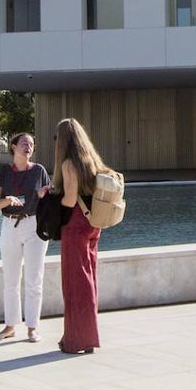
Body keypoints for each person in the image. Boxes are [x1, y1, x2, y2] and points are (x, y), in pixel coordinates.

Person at [52, 117, 108, 355]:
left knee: (75, 284)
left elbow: (69, 199)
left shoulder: (68, 164)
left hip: (75, 224)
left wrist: (50, 199)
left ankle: (76, 340)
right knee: (89, 280)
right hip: (93, 223)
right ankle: (87, 336)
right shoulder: (91, 160)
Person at [0, 132, 51, 343]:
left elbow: (49, 194)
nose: (29, 147)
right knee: (11, 280)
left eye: (32, 144)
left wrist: (45, 193)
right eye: (24, 143)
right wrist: (7, 200)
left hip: (34, 225)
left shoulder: (39, 170)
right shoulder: (3, 172)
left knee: (34, 279)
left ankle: (33, 327)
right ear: (14, 146)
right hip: (9, 225)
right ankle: (9, 326)